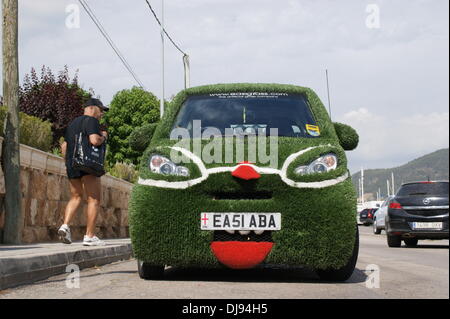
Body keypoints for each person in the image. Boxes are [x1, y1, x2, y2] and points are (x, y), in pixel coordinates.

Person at [58, 98, 109, 246]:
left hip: (72, 164)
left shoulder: (72, 124)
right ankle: (90, 236)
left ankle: (65, 226)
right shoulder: (92, 121)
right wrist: (104, 136)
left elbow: (64, 147)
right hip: (88, 165)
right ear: (92, 108)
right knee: (94, 199)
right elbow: (94, 140)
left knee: (76, 197)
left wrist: (68, 163)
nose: (101, 114)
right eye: (101, 110)